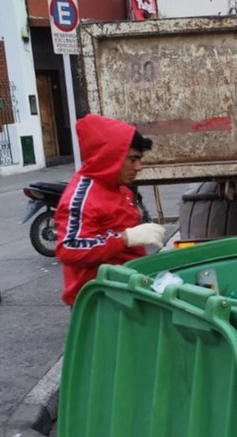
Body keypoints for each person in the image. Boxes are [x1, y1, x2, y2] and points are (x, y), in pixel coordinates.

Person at [55, 114, 167, 306]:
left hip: (123, 291)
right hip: (98, 301)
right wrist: (125, 238)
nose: (139, 167)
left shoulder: (119, 187)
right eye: (133, 159)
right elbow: (69, 248)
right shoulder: (83, 196)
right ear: (111, 157)